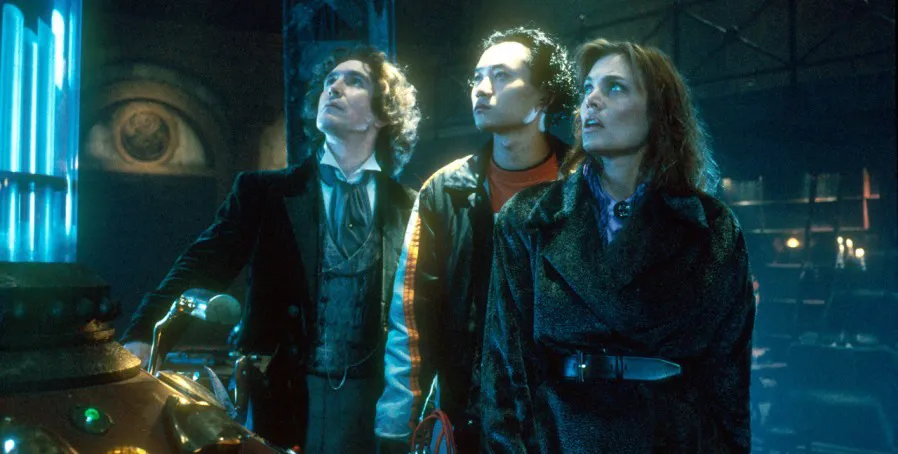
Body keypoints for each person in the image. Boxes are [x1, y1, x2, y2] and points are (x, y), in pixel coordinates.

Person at [120, 45, 421, 454]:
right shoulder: (265, 192)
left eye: (354, 81)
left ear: (381, 115)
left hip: (371, 401)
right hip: (282, 392)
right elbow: (201, 264)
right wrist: (143, 332)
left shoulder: (408, 206)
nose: (334, 88)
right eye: (330, 80)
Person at [480, 38, 755, 453]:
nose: (591, 100)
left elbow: (728, 383)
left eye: (615, 88)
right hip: (560, 438)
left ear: (658, 112)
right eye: (587, 88)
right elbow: (504, 370)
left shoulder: (711, 228)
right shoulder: (529, 218)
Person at [374, 27, 577, 453]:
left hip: (564, 419)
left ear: (543, 96)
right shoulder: (445, 189)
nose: (481, 89)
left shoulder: (583, 184)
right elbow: (409, 316)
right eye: (477, 77)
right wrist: (396, 425)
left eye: (501, 76)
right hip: (468, 417)